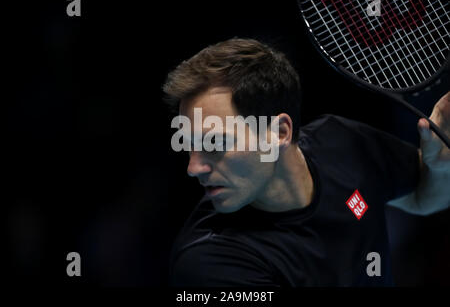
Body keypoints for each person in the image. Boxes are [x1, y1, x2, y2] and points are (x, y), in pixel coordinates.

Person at [163, 38, 450, 286]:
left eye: (215, 143)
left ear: (279, 133)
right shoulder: (210, 263)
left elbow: (425, 200)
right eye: (190, 144)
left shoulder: (344, 143)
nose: (193, 167)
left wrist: (439, 168)